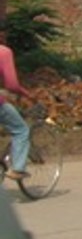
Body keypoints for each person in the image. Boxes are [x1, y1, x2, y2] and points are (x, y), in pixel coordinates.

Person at [0, 23, 37, 181]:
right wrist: (25, 94)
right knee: (21, 130)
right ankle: (18, 169)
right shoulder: (3, 52)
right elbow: (12, 85)